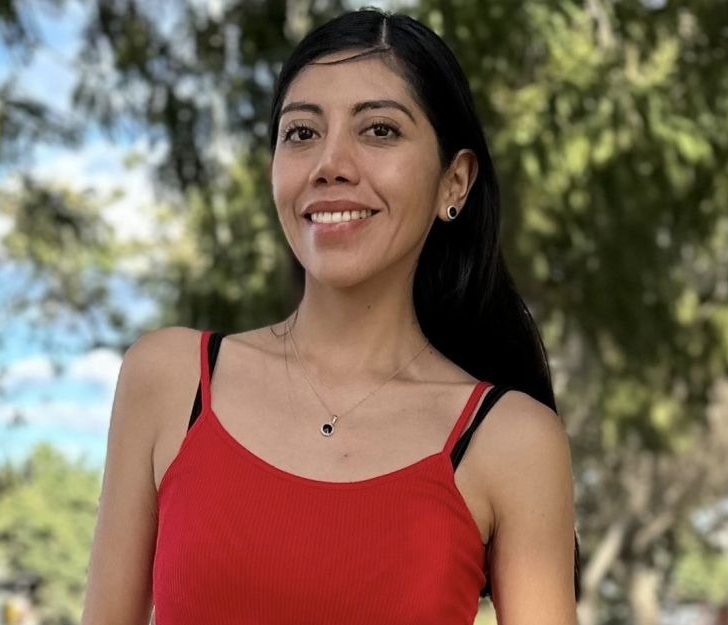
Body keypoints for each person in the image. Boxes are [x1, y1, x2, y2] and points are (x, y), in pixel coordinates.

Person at [80, 7, 577, 624]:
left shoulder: (513, 440)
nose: (330, 163)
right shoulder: (169, 380)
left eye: (379, 130)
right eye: (302, 133)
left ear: (454, 182)